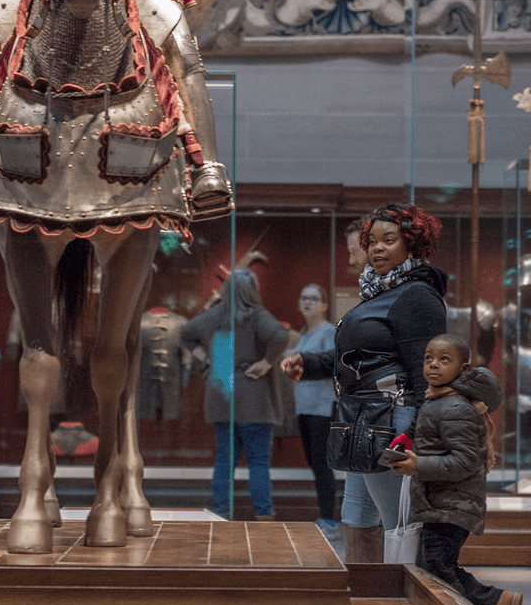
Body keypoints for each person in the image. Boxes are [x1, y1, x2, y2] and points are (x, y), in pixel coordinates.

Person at [282, 203, 449, 564]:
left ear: (412, 245)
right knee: (356, 519)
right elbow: (357, 358)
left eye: (389, 240)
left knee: (400, 527)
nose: (376, 248)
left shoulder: (416, 296)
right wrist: (307, 364)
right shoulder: (380, 293)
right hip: (364, 421)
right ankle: (369, 601)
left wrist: (418, 435)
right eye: (371, 241)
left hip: (392, 423)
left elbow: (428, 375)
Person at [382, 335, 521, 605]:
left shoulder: (455, 406)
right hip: (440, 503)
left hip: (452, 505)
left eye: (444, 360)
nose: (433, 364)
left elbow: (465, 462)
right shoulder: (439, 399)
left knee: (436, 570)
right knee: (438, 568)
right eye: (429, 358)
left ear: (463, 368)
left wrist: (418, 465)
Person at [183, 269, 290, 520]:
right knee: (258, 463)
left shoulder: (214, 315)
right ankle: (264, 514)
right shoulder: (257, 316)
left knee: (224, 459)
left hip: (222, 388)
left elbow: (186, 334)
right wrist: (265, 362)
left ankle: (221, 510)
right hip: (253, 393)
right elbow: (280, 336)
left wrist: (207, 358)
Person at [293, 284, 341, 540]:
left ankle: (330, 522)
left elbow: (331, 366)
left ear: (324, 305)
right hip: (304, 408)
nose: (308, 302)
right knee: (314, 464)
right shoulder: (303, 334)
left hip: (322, 408)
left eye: (314, 298)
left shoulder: (328, 332)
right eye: (304, 297)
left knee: (322, 465)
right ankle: (325, 517)